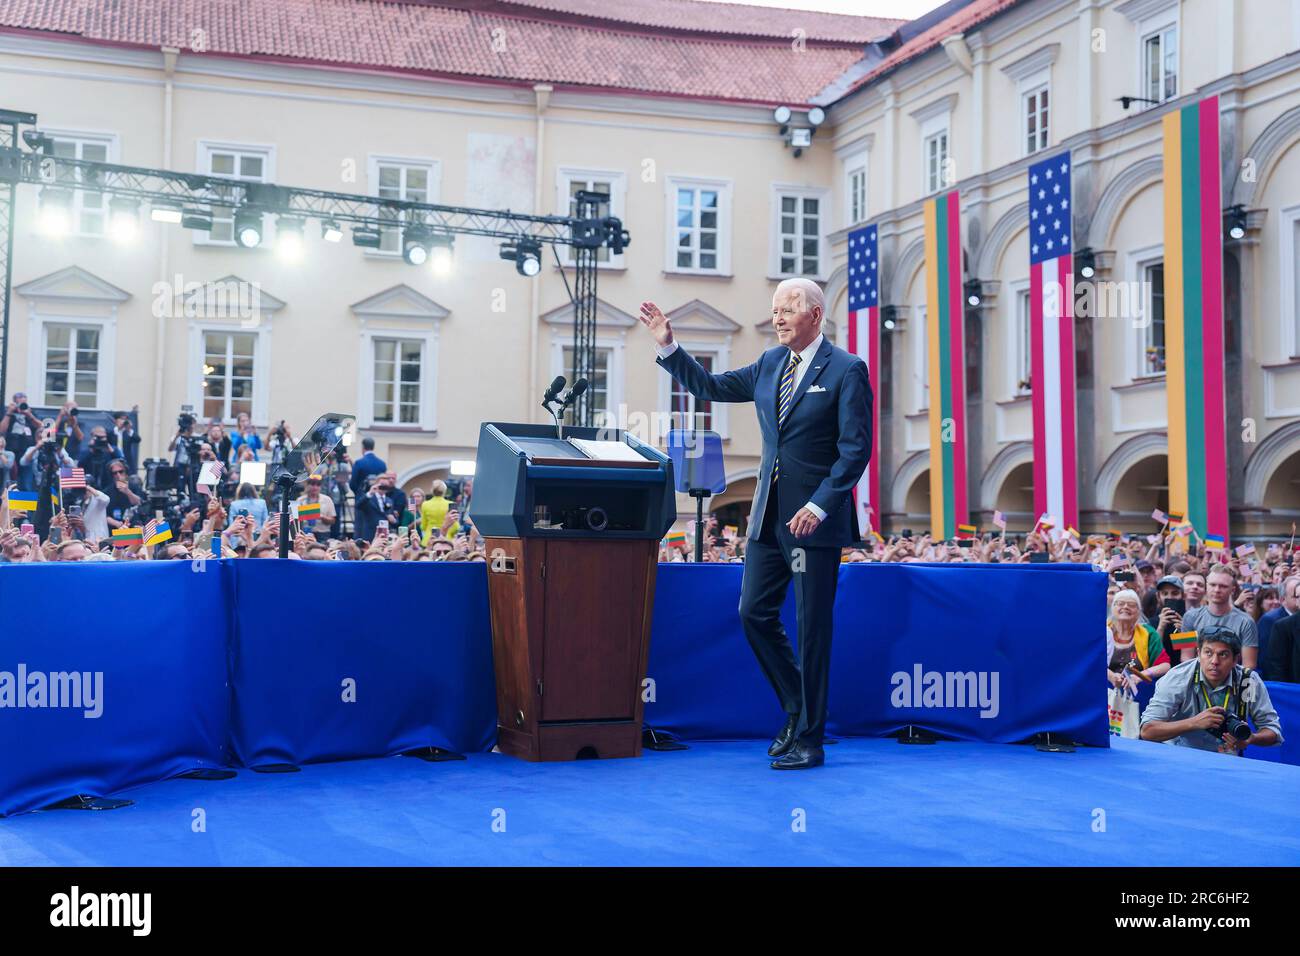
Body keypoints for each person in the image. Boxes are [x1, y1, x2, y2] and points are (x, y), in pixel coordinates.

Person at [639, 277, 872, 770]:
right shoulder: (770, 364)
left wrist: (821, 504)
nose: (778, 317)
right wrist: (670, 346)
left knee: (812, 630)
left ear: (815, 315)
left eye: (788, 309)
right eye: (774, 309)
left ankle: (810, 739)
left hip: (815, 522)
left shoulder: (848, 370)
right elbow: (711, 386)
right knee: (753, 614)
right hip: (767, 516)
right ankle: (796, 706)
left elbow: (855, 450)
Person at [1140, 627, 1283, 755]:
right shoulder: (1178, 678)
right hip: (1180, 755)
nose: (1214, 661)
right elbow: (1147, 730)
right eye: (1208, 653)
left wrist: (1251, 738)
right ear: (1198, 653)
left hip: (1227, 759)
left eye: (1223, 655)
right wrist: (1193, 723)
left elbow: (1273, 731)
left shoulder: (1247, 681)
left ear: (1235, 660)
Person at [1180, 565, 1259, 668]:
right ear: (1206, 587)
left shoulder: (1247, 622)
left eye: (1223, 586)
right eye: (1213, 585)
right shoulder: (1188, 617)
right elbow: (1185, 657)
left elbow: (1249, 665)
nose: (1217, 589)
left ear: (1233, 590)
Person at [1106, 589, 1170, 695]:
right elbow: (1090, 661)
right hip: (1104, 692)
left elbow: (1165, 665)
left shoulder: (1148, 633)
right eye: (1120, 603)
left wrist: (1140, 676)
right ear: (1112, 608)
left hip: (1138, 693)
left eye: (1131, 605)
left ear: (1139, 611)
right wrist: (1110, 675)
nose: (1125, 607)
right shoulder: (1102, 631)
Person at [1, 392, 43, 490]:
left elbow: (42, 427)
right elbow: (1, 430)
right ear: (15, 401)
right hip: (11, 451)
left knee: (26, 481)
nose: (22, 400)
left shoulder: (31, 413)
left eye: (24, 398)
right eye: (19, 398)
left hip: (27, 452)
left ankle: (26, 501)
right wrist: (9, 413)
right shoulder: (8, 412)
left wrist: (29, 415)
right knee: (10, 481)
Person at [293, 474, 336, 539]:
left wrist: (321, 517)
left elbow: (333, 520)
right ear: (307, 485)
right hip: (304, 533)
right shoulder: (300, 500)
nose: (315, 487)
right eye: (312, 484)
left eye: (318, 485)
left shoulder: (327, 500)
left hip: (322, 533)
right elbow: (294, 519)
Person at [420, 480, 460, 545]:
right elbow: (456, 527)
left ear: (432, 490)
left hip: (429, 539)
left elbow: (423, 527)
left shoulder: (425, 504)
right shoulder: (450, 504)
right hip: (447, 539)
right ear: (445, 490)